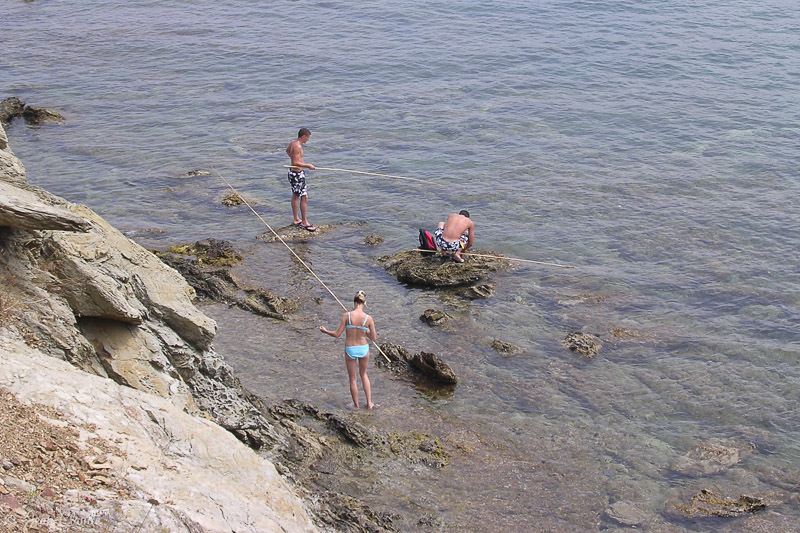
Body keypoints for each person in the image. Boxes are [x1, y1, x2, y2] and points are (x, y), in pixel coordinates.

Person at [319, 291, 377, 409]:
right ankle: (369, 403)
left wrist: (325, 331)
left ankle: (356, 405)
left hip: (350, 348)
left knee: (353, 378)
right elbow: (373, 338)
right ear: (364, 303)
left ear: (354, 302)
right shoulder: (368, 318)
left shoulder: (347, 316)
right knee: (363, 374)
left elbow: (337, 334)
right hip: (363, 348)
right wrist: (367, 332)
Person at [285, 127, 316, 231]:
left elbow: (287, 151)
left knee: (296, 196)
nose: (308, 140)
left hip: (293, 173)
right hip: (297, 174)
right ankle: (304, 221)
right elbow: (295, 163)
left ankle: (296, 219)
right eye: (308, 138)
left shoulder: (293, 143)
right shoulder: (297, 146)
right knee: (304, 197)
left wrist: (296, 160)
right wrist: (308, 165)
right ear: (303, 136)